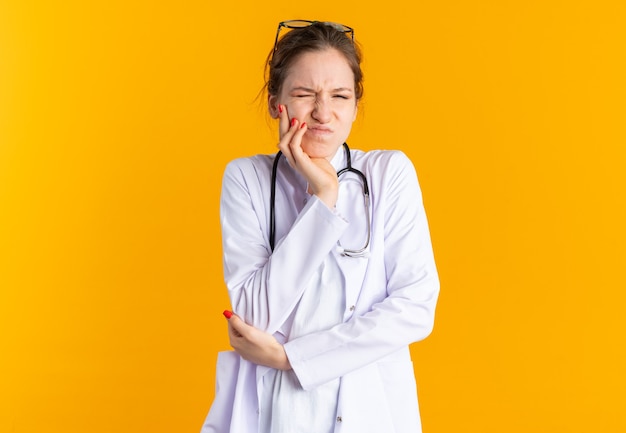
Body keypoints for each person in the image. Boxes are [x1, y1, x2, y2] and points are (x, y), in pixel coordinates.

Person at [201, 20, 439, 433]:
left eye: (339, 96)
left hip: (371, 410)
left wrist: (289, 358)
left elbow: (415, 308)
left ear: (355, 103)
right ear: (277, 102)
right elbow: (254, 317)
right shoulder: (247, 179)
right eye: (304, 95)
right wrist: (324, 197)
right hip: (274, 411)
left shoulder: (388, 174)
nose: (323, 113)